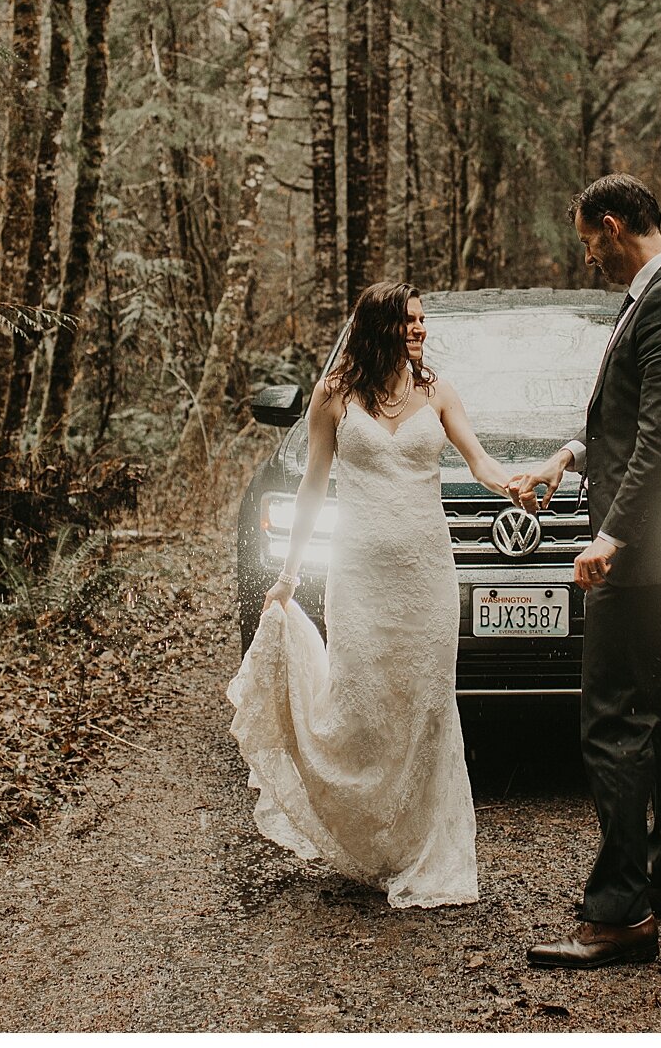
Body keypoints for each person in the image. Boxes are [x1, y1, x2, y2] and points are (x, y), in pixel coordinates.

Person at [225, 281, 518, 908]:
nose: (421, 330)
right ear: (380, 325)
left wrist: (515, 487)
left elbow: (482, 463)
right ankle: (372, 843)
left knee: (428, 705)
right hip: (358, 578)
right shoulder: (334, 397)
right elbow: (311, 490)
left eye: (422, 320)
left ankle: (423, 850)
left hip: (427, 579)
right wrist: (288, 574)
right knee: (362, 707)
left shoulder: (438, 394)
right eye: (410, 321)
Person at [509, 174, 661, 968]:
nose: (588, 256)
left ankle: (619, 913)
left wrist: (613, 537)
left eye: (588, 241)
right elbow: (629, 418)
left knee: (612, 720)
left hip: (648, 555)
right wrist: (570, 453)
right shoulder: (657, 295)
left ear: (610, 223)